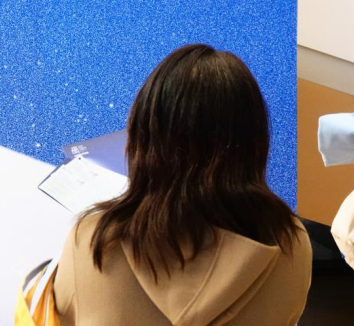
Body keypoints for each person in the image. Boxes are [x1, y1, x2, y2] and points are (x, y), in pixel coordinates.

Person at [53, 44, 312, 326]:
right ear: (253, 143)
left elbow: (61, 314)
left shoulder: (93, 240)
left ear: (142, 136)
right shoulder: (290, 241)